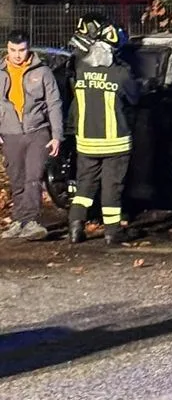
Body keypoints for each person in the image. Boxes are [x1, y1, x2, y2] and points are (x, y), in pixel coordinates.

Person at [67, 21, 139, 246]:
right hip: (115, 143)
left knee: (84, 186)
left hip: (86, 142)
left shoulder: (81, 72)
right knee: (112, 188)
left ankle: (75, 228)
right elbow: (135, 98)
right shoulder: (120, 74)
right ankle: (112, 233)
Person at [0, 31, 63, 240]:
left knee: (33, 177)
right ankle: (19, 221)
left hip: (38, 132)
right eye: (13, 50)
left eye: (22, 50)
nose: (17, 55)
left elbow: (54, 103)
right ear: (7, 49)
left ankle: (31, 221)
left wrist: (56, 135)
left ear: (29, 49)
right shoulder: (1, 72)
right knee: (16, 179)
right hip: (10, 133)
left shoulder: (43, 72)